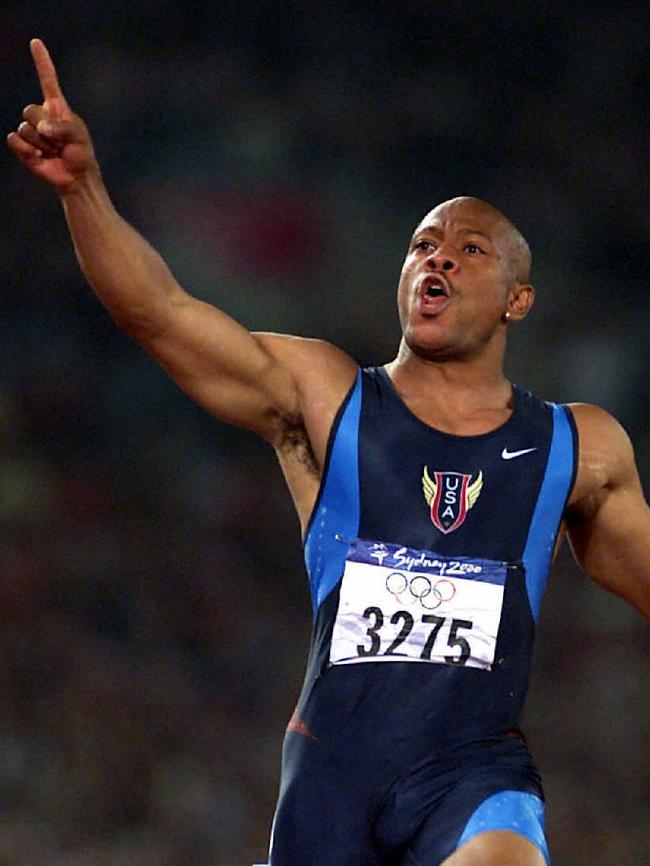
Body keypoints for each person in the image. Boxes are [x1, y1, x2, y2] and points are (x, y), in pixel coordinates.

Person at [7, 39, 650, 866]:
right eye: (423, 244)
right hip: (330, 784)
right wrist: (83, 190)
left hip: (473, 775)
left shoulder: (577, 445)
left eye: (470, 249)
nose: (438, 256)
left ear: (517, 301)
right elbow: (161, 314)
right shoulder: (328, 395)